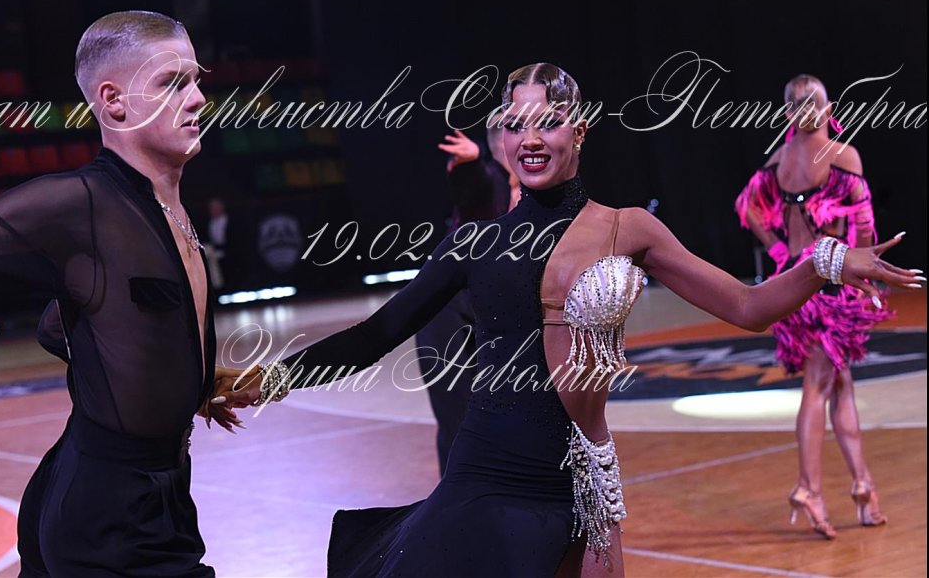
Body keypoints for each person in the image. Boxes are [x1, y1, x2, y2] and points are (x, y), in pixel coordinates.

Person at [217, 63, 919, 577]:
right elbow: (375, 336)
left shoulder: (628, 229)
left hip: (583, 478)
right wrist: (267, 380)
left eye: (548, 120)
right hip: (488, 474)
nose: (530, 137)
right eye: (515, 124)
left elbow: (746, 306)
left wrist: (826, 261)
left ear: (578, 131)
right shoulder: (474, 244)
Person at [0, 10, 242, 576]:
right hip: (107, 515)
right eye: (172, 83)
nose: (198, 98)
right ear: (114, 101)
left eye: (196, 81)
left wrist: (178, 380)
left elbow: (62, 324)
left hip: (154, 497)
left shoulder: (164, 205)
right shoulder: (80, 205)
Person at [735, 74, 905, 539]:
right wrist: (866, 277)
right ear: (828, 109)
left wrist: (777, 250)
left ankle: (863, 486)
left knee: (839, 383)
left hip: (792, 282)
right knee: (818, 385)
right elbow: (864, 228)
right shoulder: (842, 155)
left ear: (788, 112)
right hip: (828, 284)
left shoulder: (779, 160)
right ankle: (808, 487)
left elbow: (747, 207)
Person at [414, 125, 518, 474]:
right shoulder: (493, 184)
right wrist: (470, 164)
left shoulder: (540, 198)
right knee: (460, 428)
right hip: (444, 316)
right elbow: (476, 190)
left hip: (489, 318)